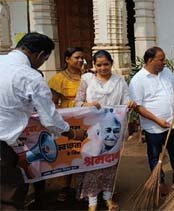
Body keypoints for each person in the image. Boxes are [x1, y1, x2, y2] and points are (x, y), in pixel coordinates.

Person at [0, 32, 72, 210]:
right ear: (40, 55)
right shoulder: (30, 77)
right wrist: (71, 132)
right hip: (2, 146)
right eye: (44, 60)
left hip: (8, 145)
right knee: (11, 193)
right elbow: (50, 119)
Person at [74, 50, 135, 211]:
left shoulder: (119, 81)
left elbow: (126, 99)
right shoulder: (87, 80)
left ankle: (108, 198)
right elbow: (77, 102)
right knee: (92, 164)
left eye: (106, 64)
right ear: (94, 65)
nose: (103, 68)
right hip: (93, 130)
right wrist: (90, 104)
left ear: (111, 64)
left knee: (110, 163)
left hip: (113, 130)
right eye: (99, 65)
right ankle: (92, 202)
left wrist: (129, 103)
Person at [129, 47, 174, 193]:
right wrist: (157, 120)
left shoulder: (166, 72)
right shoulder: (138, 80)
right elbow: (137, 106)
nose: (164, 62)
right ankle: (158, 181)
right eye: (161, 60)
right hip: (154, 127)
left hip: (173, 122)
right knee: (155, 155)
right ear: (150, 60)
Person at [46, 47, 85, 203]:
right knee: (69, 153)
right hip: (67, 122)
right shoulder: (58, 79)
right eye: (76, 57)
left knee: (86, 151)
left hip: (86, 119)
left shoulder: (89, 76)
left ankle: (85, 187)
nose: (80, 60)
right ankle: (65, 186)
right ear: (67, 59)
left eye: (82, 57)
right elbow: (53, 103)